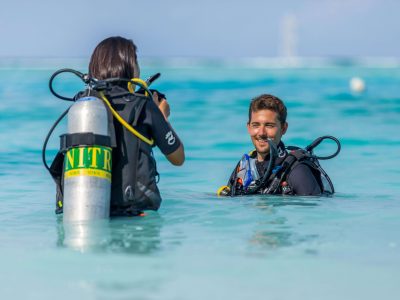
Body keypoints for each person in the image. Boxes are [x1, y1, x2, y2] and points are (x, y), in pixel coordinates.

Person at [50, 36, 185, 216]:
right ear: (130, 66)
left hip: (83, 210)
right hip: (133, 216)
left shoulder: (84, 105)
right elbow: (178, 158)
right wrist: (162, 116)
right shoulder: (143, 105)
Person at [218, 94, 335, 196]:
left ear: (284, 128)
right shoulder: (244, 166)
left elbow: (314, 216)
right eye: (256, 125)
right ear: (248, 128)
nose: (262, 133)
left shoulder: (297, 170)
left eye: (269, 125)